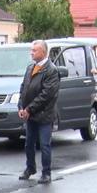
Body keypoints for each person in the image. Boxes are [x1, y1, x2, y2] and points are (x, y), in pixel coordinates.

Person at [18, 40, 60, 184]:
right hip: (30, 114)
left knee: (44, 145)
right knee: (29, 143)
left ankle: (46, 173)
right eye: (31, 50)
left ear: (43, 52)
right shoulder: (30, 68)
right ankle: (30, 168)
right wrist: (21, 107)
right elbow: (23, 88)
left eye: (34, 50)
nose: (32, 52)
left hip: (44, 115)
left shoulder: (51, 70)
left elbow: (46, 95)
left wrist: (29, 109)